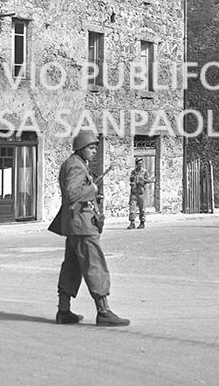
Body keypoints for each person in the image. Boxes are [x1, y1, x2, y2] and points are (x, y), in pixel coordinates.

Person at [48, 130, 129, 327]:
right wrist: (91, 190)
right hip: (83, 226)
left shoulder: (75, 163)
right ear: (81, 148)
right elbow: (72, 193)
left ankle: (64, 310)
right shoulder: (76, 165)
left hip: (75, 225)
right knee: (95, 265)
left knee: (71, 267)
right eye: (91, 148)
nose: (94, 152)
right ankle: (103, 311)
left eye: (95, 148)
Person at [126, 157, 154, 229]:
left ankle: (142, 222)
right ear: (136, 164)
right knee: (132, 208)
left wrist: (144, 181)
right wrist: (132, 182)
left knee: (142, 208)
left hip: (141, 192)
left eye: (141, 164)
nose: (140, 165)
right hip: (134, 192)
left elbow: (149, 180)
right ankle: (132, 222)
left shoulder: (144, 172)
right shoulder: (133, 172)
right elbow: (131, 179)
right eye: (138, 164)